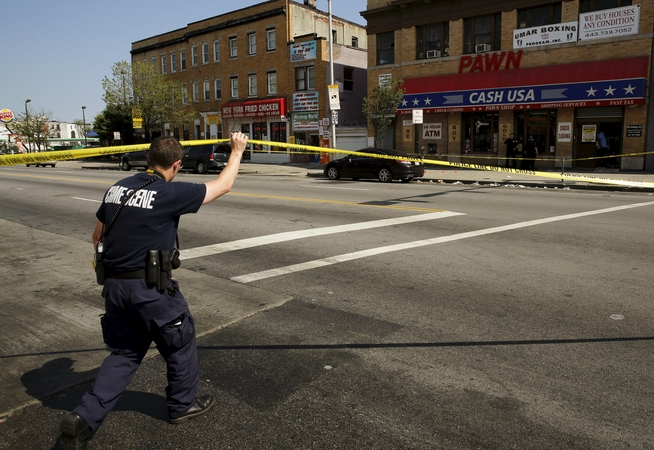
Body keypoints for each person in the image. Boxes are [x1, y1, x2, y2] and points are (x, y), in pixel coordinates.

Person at [56, 132, 248, 450]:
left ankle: (83, 419)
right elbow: (223, 185)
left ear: (147, 159)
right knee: (180, 341)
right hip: (149, 290)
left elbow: (96, 237)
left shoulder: (116, 189)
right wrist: (237, 151)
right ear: (176, 164)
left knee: (127, 353)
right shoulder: (166, 192)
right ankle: (181, 406)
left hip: (115, 288)